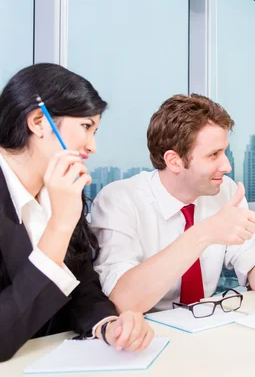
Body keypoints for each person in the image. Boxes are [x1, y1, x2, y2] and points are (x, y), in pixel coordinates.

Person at [92, 94, 255, 313]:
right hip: (145, 331)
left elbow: (252, 260)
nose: (226, 166)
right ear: (174, 161)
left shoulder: (226, 191)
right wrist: (204, 233)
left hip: (205, 324)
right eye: (213, 155)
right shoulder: (119, 200)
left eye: (224, 151)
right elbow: (121, 300)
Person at [0, 64, 153, 362]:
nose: (92, 146)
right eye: (86, 127)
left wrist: (107, 325)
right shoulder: (61, 202)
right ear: (38, 121)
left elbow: (81, 286)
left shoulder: (60, 190)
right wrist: (60, 225)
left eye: (95, 131)